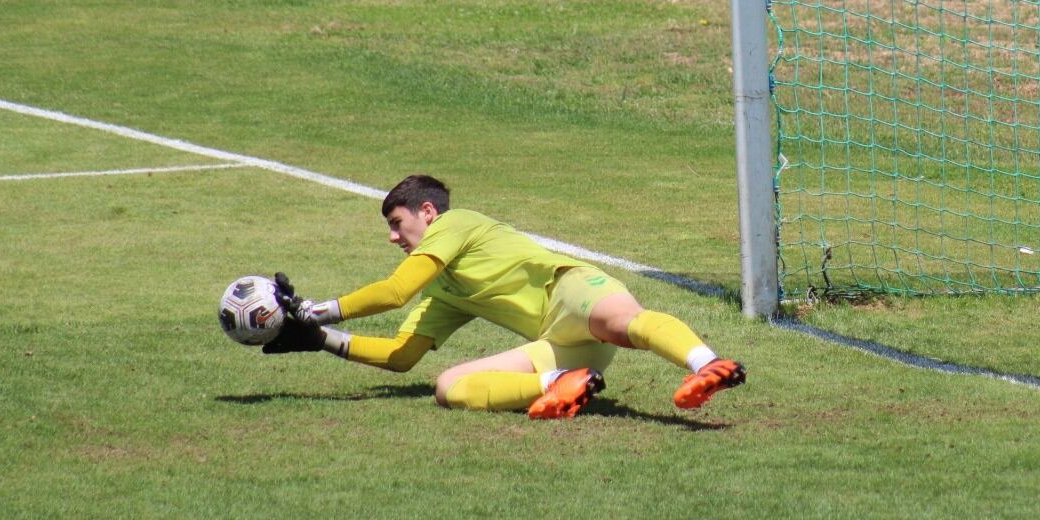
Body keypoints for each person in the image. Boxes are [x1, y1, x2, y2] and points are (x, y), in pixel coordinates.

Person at [262, 174, 745, 419]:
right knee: (448, 387)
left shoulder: (455, 223)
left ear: (427, 212)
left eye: (396, 223)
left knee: (620, 324)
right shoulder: (446, 289)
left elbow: (395, 292)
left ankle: (707, 363)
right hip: (560, 342)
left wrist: (312, 308)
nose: (393, 236)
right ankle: (562, 382)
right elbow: (400, 357)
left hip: (572, 289)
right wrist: (321, 338)